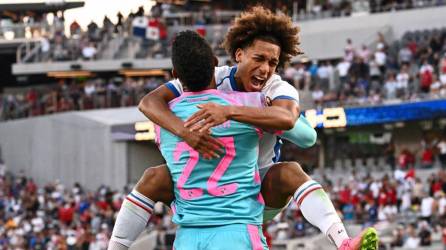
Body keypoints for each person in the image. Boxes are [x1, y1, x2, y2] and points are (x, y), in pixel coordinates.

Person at [110, 6, 378, 250]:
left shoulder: (276, 88)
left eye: (273, 63)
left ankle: (342, 241)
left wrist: (231, 112)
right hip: (206, 201)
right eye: (259, 59)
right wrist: (186, 132)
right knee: (155, 177)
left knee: (290, 172)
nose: (265, 69)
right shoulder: (210, 77)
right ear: (239, 54)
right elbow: (148, 102)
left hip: (257, 189)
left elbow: (305, 135)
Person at [158, 30, 268, 249]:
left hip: (188, 237)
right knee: (291, 172)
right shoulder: (250, 103)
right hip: (237, 230)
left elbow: (148, 103)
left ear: (175, 74)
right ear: (215, 64)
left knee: (151, 178)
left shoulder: (161, 119)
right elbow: (304, 134)